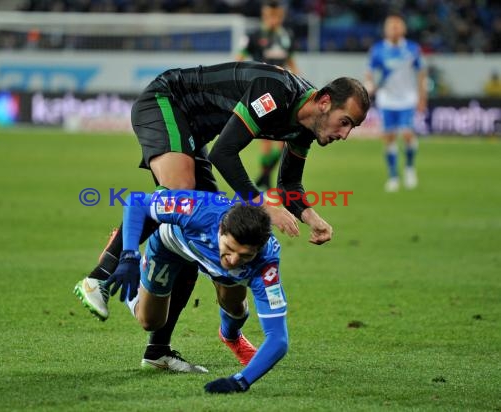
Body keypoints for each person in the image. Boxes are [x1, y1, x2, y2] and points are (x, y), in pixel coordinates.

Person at [74, 61, 369, 372]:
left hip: (192, 133)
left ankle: (158, 350)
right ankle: (99, 278)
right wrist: (263, 204)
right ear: (324, 102)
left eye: (352, 127)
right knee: (180, 192)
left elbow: (289, 184)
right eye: (345, 122)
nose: (345, 134)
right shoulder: (276, 93)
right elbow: (224, 152)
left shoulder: (304, 125)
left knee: (192, 241)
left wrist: (311, 217)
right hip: (166, 101)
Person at [109, 188, 288, 393]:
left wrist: (240, 381)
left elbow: (278, 338)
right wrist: (128, 255)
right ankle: (115, 268)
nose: (234, 260)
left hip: (215, 265)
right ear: (221, 228)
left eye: (245, 255)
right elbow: (137, 201)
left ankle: (231, 337)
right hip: (170, 246)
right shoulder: (198, 208)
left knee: (237, 309)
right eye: (230, 248)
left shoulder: (267, 266)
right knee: (150, 321)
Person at [237, 0, 299, 191]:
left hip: (284, 93)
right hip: (262, 93)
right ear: (265, 16)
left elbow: (290, 62)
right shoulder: (254, 36)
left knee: (284, 141)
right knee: (266, 141)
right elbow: (239, 60)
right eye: (270, 15)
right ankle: (267, 182)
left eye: (277, 16)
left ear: (281, 16)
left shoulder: (286, 36)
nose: (274, 19)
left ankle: (264, 178)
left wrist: (300, 83)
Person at [365, 13, 427, 192]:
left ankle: (409, 168)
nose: (394, 28)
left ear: (404, 28)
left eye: (397, 25)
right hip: (387, 99)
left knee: (407, 134)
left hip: (408, 98)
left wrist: (422, 97)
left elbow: (421, 73)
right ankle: (393, 176)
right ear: (385, 29)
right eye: (391, 25)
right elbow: (370, 72)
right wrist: (370, 85)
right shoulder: (377, 50)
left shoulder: (413, 49)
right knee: (389, 137)